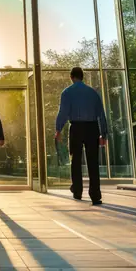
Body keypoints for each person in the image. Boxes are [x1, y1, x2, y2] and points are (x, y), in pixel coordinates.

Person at [55, 66, 108, 206]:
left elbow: (63, 112)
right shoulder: (93, 93)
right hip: (92, 128)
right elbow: (101, 114)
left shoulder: (67, 92)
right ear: (82, 77)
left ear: (71, 77)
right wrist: (104, 133)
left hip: (76, 128)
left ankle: (77, 190)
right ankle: (95, 195)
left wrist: (58, 129)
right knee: (93, 162)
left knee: (76, 160)